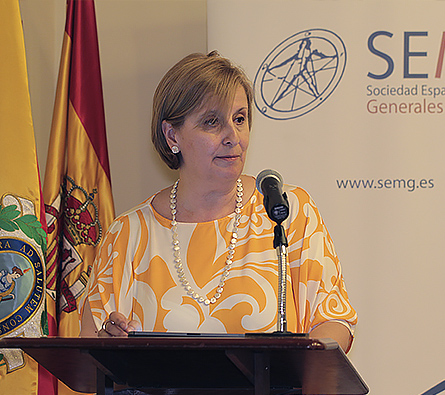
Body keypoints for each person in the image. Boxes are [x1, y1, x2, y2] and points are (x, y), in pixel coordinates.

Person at [80, 51, 357, 353]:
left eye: (240, 119)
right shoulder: (128, 234)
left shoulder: (287, 212)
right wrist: (110, 343)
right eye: (212, 122)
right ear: (172, 135)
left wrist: (295, 368)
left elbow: (334, 322)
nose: (233, 136)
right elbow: (92, 346)